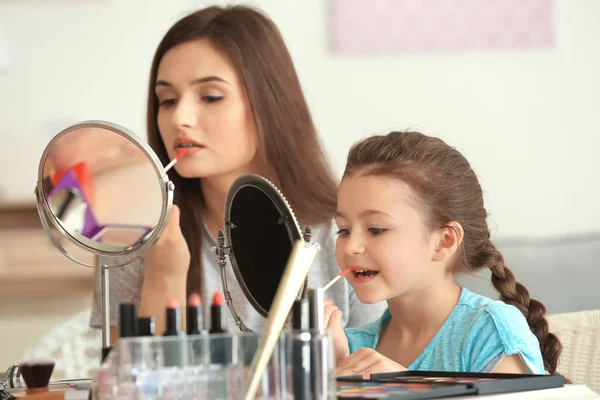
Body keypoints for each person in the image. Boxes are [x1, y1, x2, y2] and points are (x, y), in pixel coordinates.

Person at [89, 5, 386, 338]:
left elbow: (382, 372)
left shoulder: (344, 231)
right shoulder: (130, 233)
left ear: (268, 104)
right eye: (167, 100)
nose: (179, 118)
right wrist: (163, 272)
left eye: (211, 96)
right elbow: (126, 383)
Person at [325, 131, 565, 378]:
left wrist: (408, 386)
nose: (350, 246)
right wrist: (329, 374)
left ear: (444, 241)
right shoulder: (348, 349)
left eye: (376, 229)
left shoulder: (490, 332)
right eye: (343, 230)